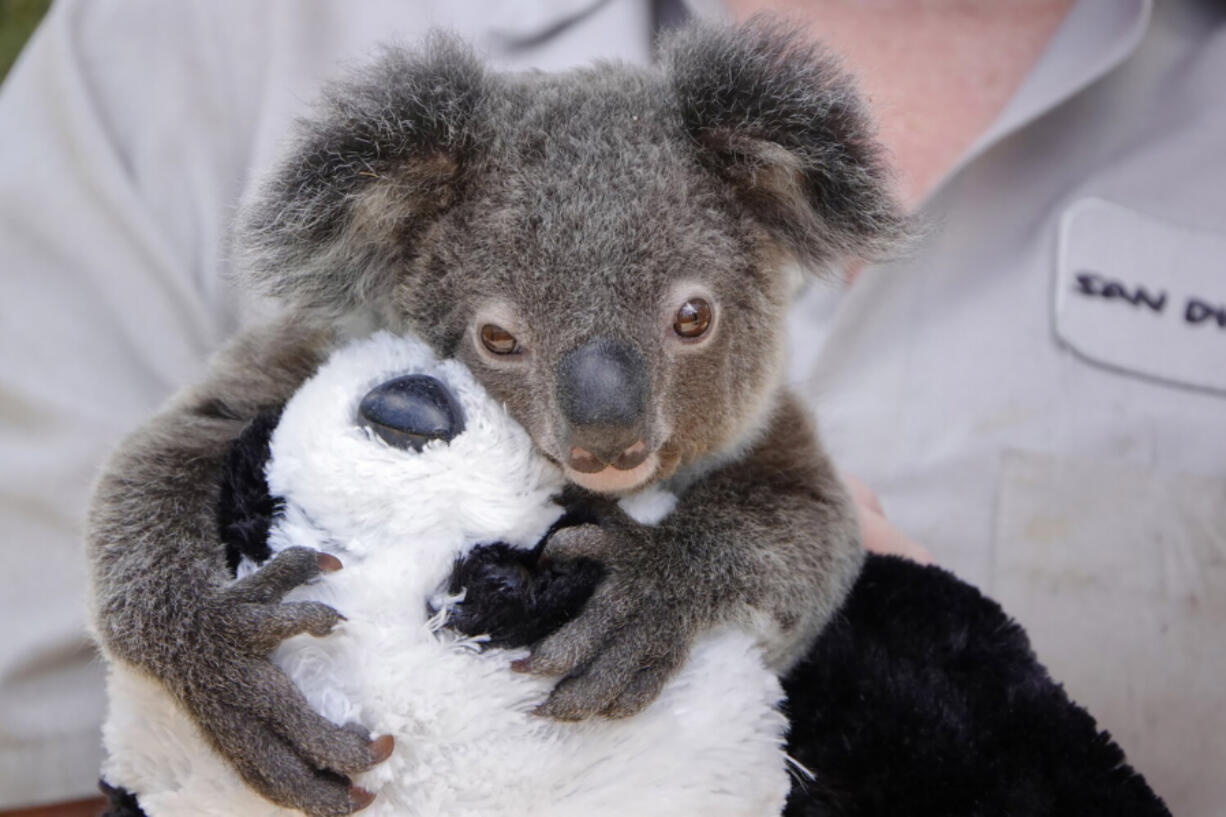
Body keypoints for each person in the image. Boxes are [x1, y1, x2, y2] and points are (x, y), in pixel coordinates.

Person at [1, 0, 1222, 814]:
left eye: (687, 322)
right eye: (498, 341)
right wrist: (183, 642)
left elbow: (800, 519)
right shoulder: (214, 69)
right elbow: (176, 460)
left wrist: (694, 575)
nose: (608, 426)